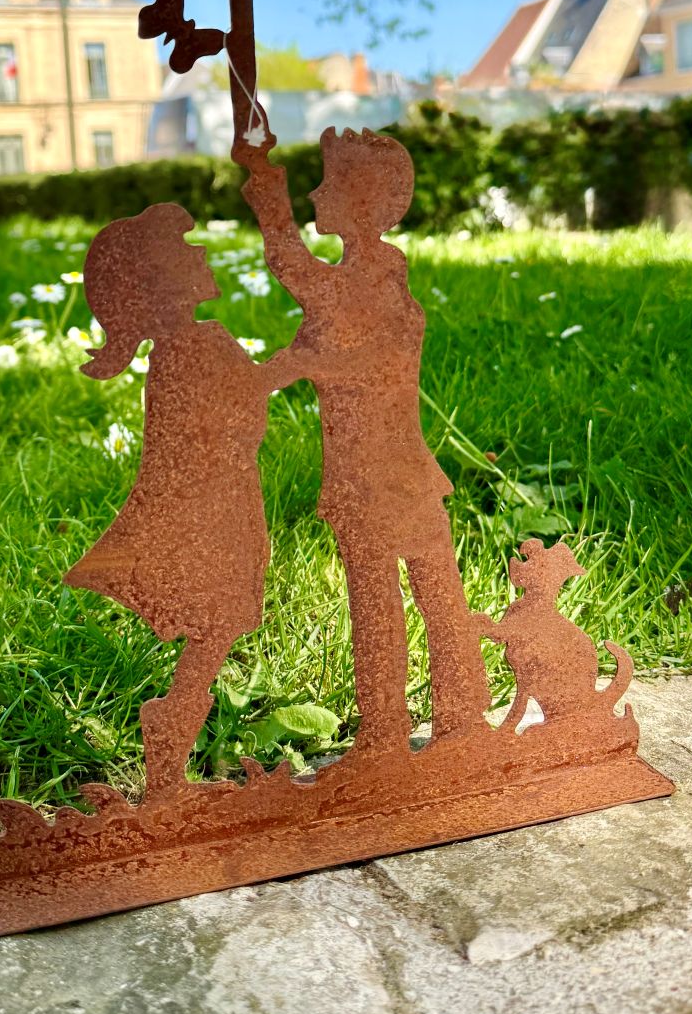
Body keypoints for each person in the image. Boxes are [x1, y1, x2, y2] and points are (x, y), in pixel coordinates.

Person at [240, 127, 491, 752]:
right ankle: (401, 728)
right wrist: (273, 371)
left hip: (390, 472)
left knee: (420, 593)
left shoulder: (377, 275)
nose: (319, 193)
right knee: (392, 598)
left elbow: (350, 336)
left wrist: (270, 189)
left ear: (361, 205)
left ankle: (447, 721)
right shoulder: (359, 281)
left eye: (329, 184)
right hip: (368, 474)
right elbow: (315, 318)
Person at [65, 203, 292, 797]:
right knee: (215, 625)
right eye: (184, 250)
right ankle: (166, 764)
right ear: (162, 280)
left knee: (216, 631)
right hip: (208, 517)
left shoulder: (187, 347)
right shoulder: (190, 349)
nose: (201, 254)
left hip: (223, 506)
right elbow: (236, 416)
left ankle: (169, 752)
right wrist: (297, 363)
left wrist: (283, 371)